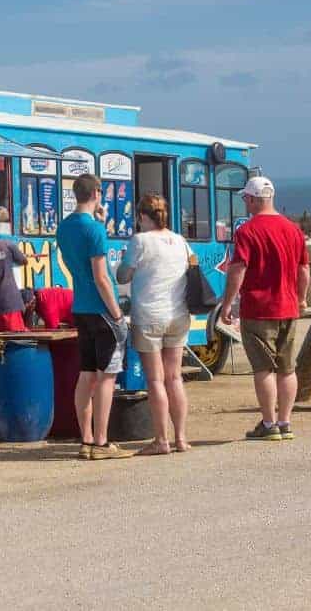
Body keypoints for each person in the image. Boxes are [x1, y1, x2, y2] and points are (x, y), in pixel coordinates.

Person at [219, 176, 310, 442]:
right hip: (288, 306)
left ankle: (269, 423)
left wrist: (228, 303)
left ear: (256, 199)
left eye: (246, 198)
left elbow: (238, 268)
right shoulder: (293, 229)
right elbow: (303, 268)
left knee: (263, 368)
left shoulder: (247, 231)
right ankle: (285, 421)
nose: (245, 202)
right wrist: (301, 298)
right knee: (287, 367)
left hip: (258, 308)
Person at [56, 173, 132, 461]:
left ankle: (86, 439)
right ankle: (102, 442)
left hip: (81, 308)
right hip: (102, 309)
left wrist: (98, 221)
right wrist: (117, 314)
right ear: (97, 193)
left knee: (86, 375)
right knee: (107, 378)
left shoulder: (64, 228)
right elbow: (101, 277)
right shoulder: (96, 231)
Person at [116, 193, 191, 455]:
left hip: (149, 316)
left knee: (155, 380)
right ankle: (181, 438)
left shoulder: (140, 241)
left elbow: (122, 274)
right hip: (179, 315)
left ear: (142, 216)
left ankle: (161, 440)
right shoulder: (180, 241)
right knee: (175, 378)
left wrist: (125, 264)